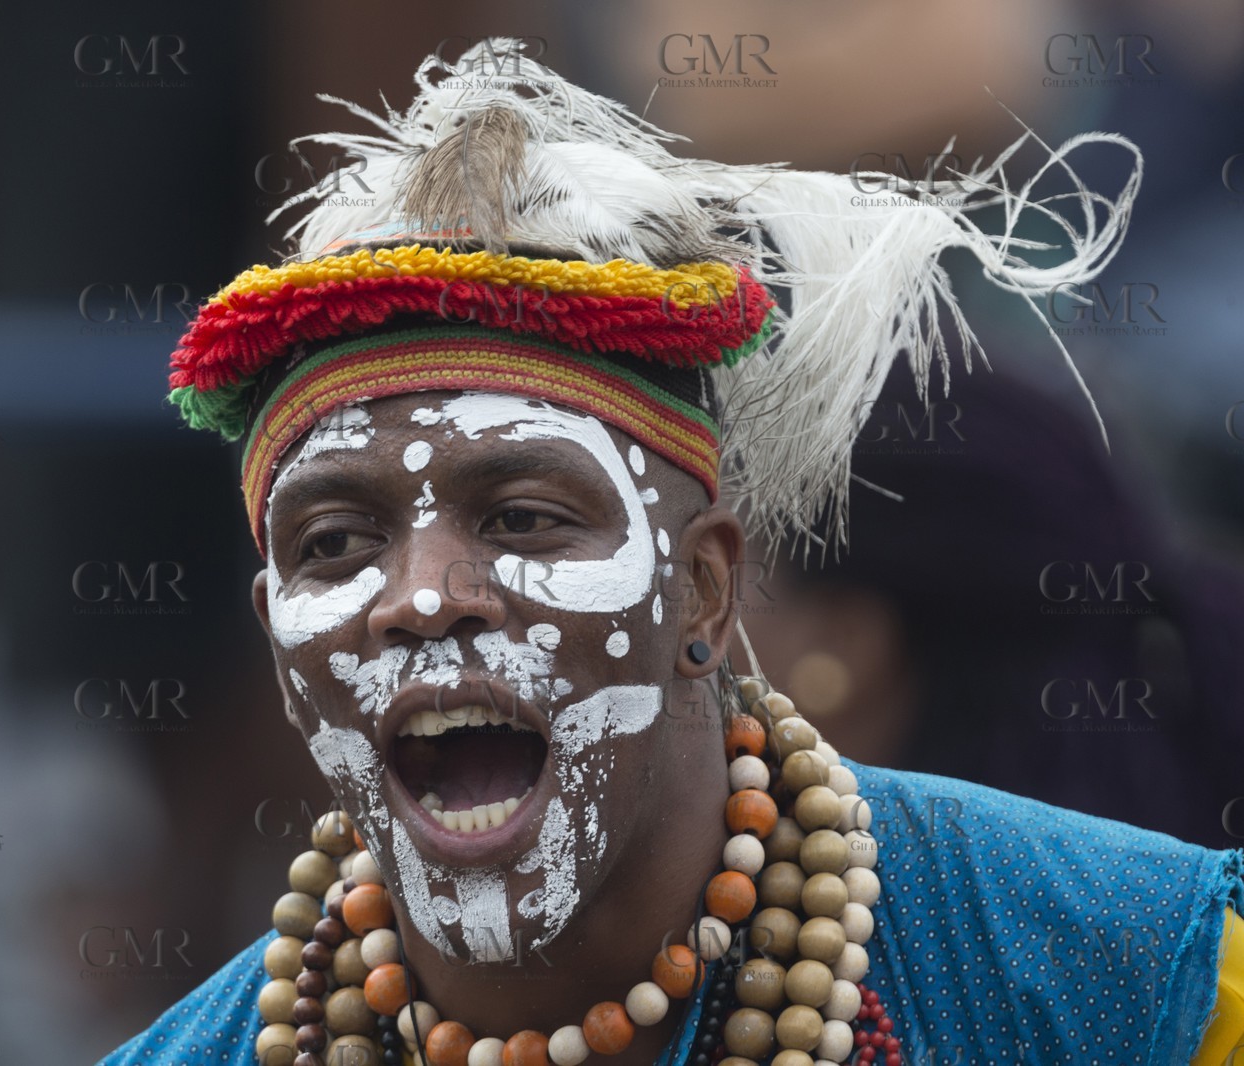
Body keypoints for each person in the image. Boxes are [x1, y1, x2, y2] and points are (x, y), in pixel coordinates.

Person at [99, 40, 1244, 1066]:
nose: (421, 599)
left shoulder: (1122, 976)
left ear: (703, 585)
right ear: (277, 638)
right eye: (335, 542)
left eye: (523, 517)